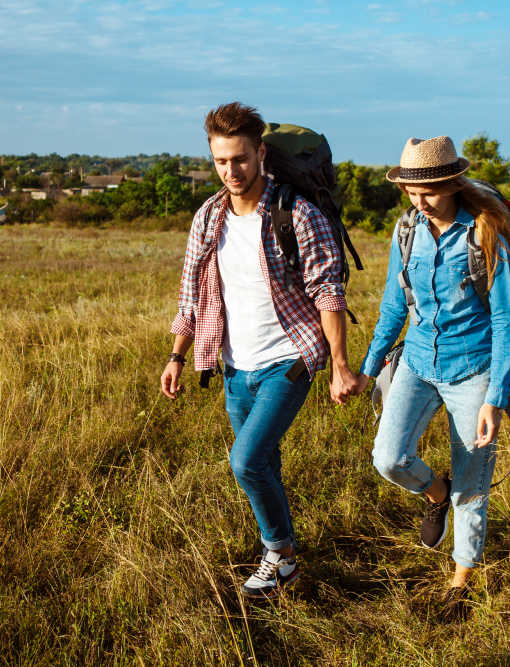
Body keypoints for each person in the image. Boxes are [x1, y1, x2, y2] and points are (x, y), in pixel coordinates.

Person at [160, 102, 359, 600]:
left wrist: (339, 366)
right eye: (222, 161)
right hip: (233, 367)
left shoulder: (297, 214)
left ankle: (281, 556)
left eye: (241, 159)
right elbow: (192, 291)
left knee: (245, 462)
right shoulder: (208, 217)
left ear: (261, 153)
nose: (232, 171)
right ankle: (283, 553)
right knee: (265, 463)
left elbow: (329, 293)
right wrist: (178, 355)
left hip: (289, 359)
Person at [354, 136, 510, 619]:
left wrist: (494, 396)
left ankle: (461, 579)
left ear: (450, 182)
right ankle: (434, 493)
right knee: (388, 457)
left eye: (427, 191)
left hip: (474, 369)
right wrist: (368, 369)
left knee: (473, 484)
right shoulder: (406, 230)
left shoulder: (487, 230)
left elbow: (506, 320)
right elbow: (392, 306)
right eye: (410, 190)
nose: (418, 201)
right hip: (418, 363)